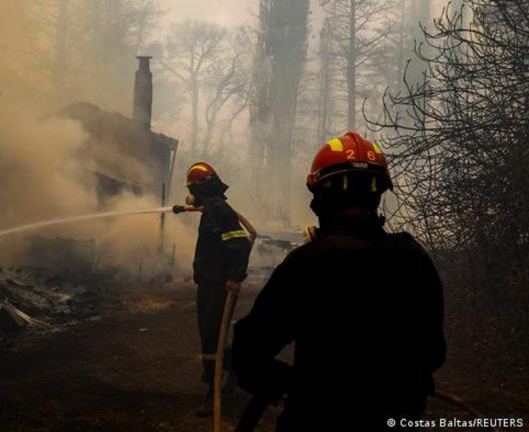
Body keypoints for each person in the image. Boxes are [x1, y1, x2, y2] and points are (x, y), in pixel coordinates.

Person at [232, 132, 446, 431]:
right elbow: (433, 351)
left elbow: (248, 353)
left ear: (321, 198)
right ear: (377, 194)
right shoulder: (413, 258)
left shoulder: (307, 263)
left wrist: (287, 382)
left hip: (317, 417)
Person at [185, 161, 252, 417]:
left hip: (220, 284)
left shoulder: (220, 210)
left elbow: (239, 244)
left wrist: (235, 277)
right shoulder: (212, 208)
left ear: (200, 188)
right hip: (208, 282)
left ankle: (212, 390)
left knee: (211, 336)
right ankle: (235, 373)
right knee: (210, 333)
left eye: (193, 189)